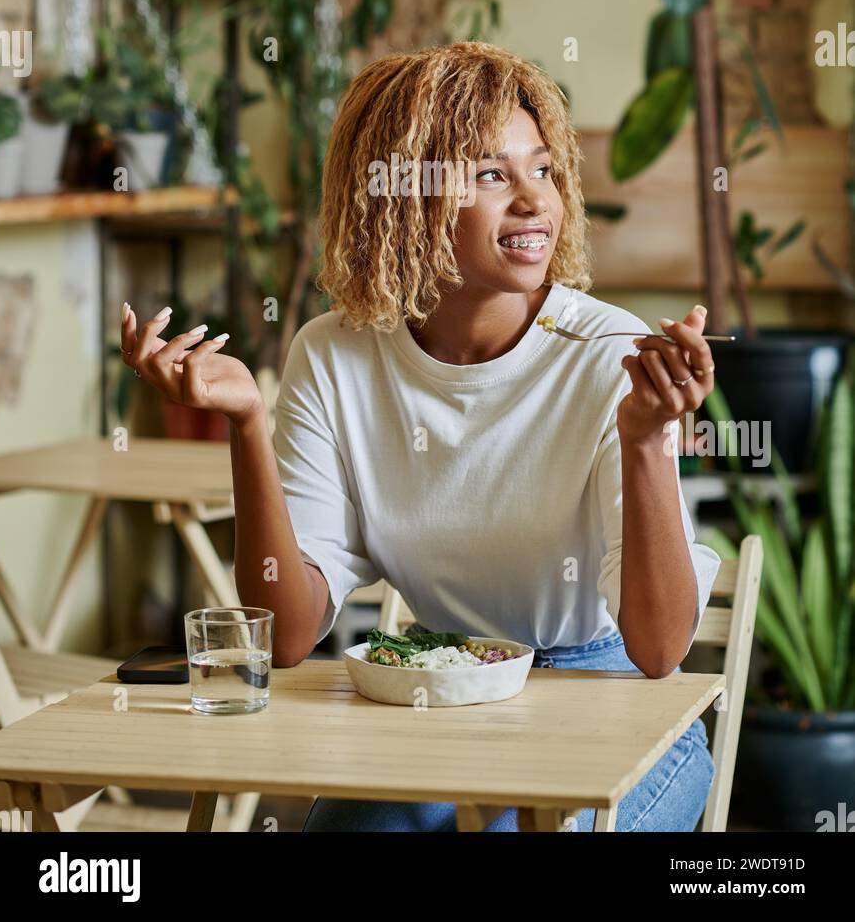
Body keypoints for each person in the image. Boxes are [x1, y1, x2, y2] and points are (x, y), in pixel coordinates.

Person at [121, 41, 721, 832]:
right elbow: (291, 633)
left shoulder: (609, 353)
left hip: (605, 692)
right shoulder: (334, 354)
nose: (536, 202)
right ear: (404, 198)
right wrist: (247, 425)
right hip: (439, 682)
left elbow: (658, 651)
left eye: (543, 169)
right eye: (491, 174)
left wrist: (647, 442)